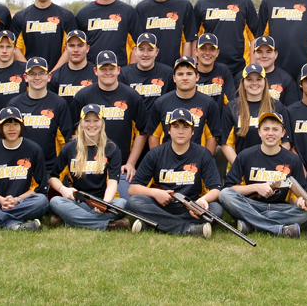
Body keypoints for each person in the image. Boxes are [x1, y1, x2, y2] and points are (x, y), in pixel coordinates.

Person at [127, 108, 223, 238]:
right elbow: (133, 189)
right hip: (162, 206)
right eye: (176, 126)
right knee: (134, 202)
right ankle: (188, 228)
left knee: (216, 210)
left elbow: (216, 189)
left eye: (186, 127)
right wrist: (155, 193)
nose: (181, 131)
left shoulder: (203, 154)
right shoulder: (156, 153)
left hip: (191, 207)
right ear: (169, 130)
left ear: (193, 131)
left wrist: (202, 200)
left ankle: (154, 224)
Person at [218, 112, 307, 238]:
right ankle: (278, 229)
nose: (270, 133)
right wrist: (256, 187)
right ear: (259, 132)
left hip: (281, 208)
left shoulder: (293, 159)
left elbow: (296, 195)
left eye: (275, 129)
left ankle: (252, 223)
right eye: (266, 129)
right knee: (225, 195)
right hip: (252, 205)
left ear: (283, 133)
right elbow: (229, 189)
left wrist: (299, 202)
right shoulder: (246, 155)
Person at [72, 50, 148, 199]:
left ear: (118, 70)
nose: (108, 72)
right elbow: (74, 133)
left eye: (111, 68)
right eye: (103, 69)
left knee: (127, 200)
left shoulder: (131, 96)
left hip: (120, 166)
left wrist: (131, 163)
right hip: (90, 165)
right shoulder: (83, 96)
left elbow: (142, 131)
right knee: (83, 198)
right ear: (95, 71)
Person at [48, 104, 128, 231]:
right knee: (56, 202)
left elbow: (113, 181)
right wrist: (63, 189)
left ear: (102, 123)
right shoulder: (70, 148)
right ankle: (105, 225)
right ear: (81, 123)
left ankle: (70, 220)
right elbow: (53, 177)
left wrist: (104, 203)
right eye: (87, 121)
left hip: (102, 201)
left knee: (121, 203)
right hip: (78, 202)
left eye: (96, 121)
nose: (92, 125)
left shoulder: (112, 148)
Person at [7, 57, 72, 175]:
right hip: (21, 170)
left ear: (49, 77)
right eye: (32, 73)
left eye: (41, 73)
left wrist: (62, 173)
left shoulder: (59, 104)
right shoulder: (14, 104)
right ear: (25, 77)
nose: (37, 77)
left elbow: (65, 142)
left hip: (51, 170)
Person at [144, 56, 221, 154]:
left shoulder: (209, 103)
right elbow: (153, 135)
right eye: (180, 74)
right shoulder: (161, 103)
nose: (185, 78)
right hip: (167, 163)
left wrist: (205, 162)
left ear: (197, 77)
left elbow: (212, 137)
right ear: (174, 78)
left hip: (196, 162)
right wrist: (158, 161)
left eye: (189, 74)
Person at [194, 0, 259, 74]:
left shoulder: (244, 2)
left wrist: (252, 66)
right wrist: (197, 64)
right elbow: (195, 38)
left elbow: (254, 37)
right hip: (210, 66)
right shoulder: (202, 4)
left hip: (239, 66)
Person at [221, 63, 292, 162]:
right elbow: (226, 144)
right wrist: (240, 167)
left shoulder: (277, 106)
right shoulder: (232, 108)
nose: (254, 83)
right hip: (242, 171)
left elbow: (286, 142)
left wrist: (272, 163)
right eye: (249, 79)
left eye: (259, 79)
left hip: (271, 170)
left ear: (265, 82)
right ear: (243, 82)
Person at [10, 0, 76, 70]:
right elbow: (15, 49)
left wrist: (53, 74)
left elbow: (71, 49)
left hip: (59, 76)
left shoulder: (66, 16)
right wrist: (32, 71)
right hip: (30, 77)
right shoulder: (20, 17)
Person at [76, 0, 141, 66]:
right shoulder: (83, 14)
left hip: (120, 73)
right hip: (90, 74)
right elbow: (76, 47)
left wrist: (130, 72)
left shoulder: (128, 12)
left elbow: (138, 46)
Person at [136, 0, 196, 66]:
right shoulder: (141, 8)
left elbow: (188, 40)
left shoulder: (183, 6)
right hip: (150, 68)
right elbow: (138, 44)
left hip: (176, 67)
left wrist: (183, 65)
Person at [118, 32, 175, 111]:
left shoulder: (168, 74)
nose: (145, 54)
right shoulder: (123, 74)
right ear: (135, 51)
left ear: (157, 52)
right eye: (141, 49)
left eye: (150, 50)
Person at [48, 30, 95, 110]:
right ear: (65, 49)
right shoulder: (56, 77)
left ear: (87, 48)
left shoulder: (97, 74)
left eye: (80, 46)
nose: (76, 50)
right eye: (72, 46)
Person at [251, 35, 299, 106]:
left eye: (268, 52)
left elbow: (292, 111)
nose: (264, 55)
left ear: (276, 54)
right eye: (260, 52)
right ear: (254, 54)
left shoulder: (286, 80)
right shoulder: (243, 77)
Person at [195, 33, 235, 111]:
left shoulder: (223, 70)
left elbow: (232, 101)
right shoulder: (190, 73)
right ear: (196, 51)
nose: (207, 53)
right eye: (203, 48)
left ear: (217, 53)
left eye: (212, 49)